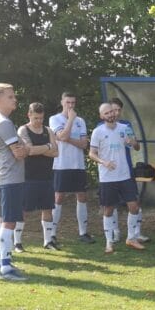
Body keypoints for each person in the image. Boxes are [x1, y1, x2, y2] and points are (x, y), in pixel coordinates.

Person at [88, 103, 146, 254]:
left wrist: (132, 142)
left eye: (112, 111)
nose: (110, 115)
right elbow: (91, 153)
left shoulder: (124, 128)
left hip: (125, 174)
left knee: (134, 206)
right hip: (107, 177)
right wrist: (103, 162)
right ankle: (109, 242)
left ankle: (131, 238)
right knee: (108, 209)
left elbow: (137, 146)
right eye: (106, 113)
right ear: (102, 116)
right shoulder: (97, 131)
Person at [0, 83, 29, 281]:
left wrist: (24, 147)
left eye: (14, 96)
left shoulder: (4, 121)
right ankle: (5, 267)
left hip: (9, 176)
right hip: (9, 176)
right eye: (10, 97)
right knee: (10, 220)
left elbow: (20, 149)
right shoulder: (3, 122)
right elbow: (19, 152)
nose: (15, 99)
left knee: (5, 218)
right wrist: (29, 147)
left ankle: (1, 259)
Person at [49, 91, 95, 244]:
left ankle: (83, 232)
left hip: (78, 164)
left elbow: (83, 144)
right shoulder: (55, 119)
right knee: (58, 197)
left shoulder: (80, 121)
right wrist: (70, 120)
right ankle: (52, 233)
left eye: (73, 103)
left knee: (82, 196)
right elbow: (60, 136)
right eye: (68, 102)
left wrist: (67, 138)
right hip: (61, 164)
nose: (70, 106)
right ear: (62, 102)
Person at [15, 103, 59, 252]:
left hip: (46, 176)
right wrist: (47, 146)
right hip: (28, 176)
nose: (38, 121)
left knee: (47, 209)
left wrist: (41, 148)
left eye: (41, 118)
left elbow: (56, 152)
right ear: (29, 115)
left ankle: (48, 241)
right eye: (35, 118)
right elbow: (29, 150)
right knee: (24, 210)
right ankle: (17, 243)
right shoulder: (23, 129)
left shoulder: (48, 130)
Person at [108, 97, 149, 244]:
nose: (116, 113)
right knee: (110, 203)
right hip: (110, 171)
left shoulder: (126, 125)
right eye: (113, 110)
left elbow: (136, 146)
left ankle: (135, 234)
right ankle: (114, 232)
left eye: (119, 110)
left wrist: (133, 142)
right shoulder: (101, 126)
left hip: (126, 169)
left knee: (134, 201)